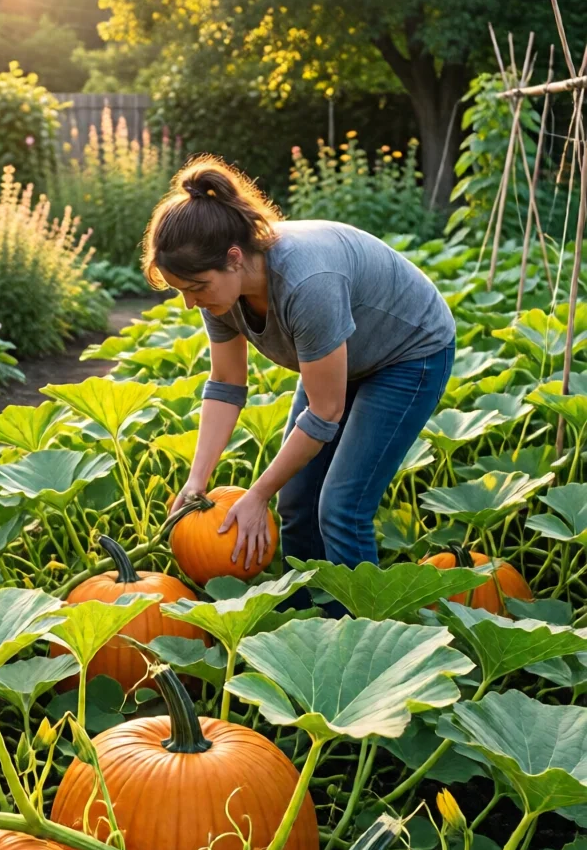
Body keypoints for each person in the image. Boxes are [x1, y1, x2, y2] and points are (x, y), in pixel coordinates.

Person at [144, 155, 455, 574]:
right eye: (182, 290)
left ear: (234, 258)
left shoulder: (307, 283)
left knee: (342, 507)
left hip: (409, 352)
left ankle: (361, 629)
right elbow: (226, 384)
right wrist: (197, 480)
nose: (190, 301)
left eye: (197, 287)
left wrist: (256, 496)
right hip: (343, 353)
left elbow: (325, 411)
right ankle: (310, 618)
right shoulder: (217, 290)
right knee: (297, 500)